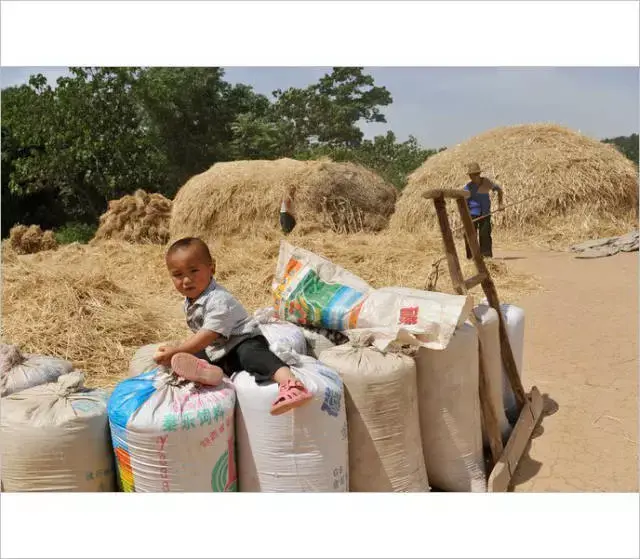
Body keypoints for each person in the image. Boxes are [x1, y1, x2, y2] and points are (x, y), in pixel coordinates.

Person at [153, 237, 312, 415]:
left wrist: (177, 349)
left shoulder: (219, 300)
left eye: (194, 271)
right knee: (188, 357)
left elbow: (207, 335)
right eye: (178, 275)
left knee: (252, 355)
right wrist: (178, 354)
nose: (186, 280)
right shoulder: (190, 301)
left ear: (212, 268)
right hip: (219, 350)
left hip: (242, 341)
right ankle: (210, 374)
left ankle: (291, 384)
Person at [462, 162, 504, 259]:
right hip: (472, 214)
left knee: (484, 235)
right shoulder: (468, 188)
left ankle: (486, 257)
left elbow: (499, 190)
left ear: (479, 174)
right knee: (469, 235)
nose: (472, 177)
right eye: (471, 175)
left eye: (475, 174)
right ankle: (472, 258)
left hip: (485, 213)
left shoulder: (486, 183)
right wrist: (466, 217)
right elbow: (463, 203)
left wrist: (500, 204)